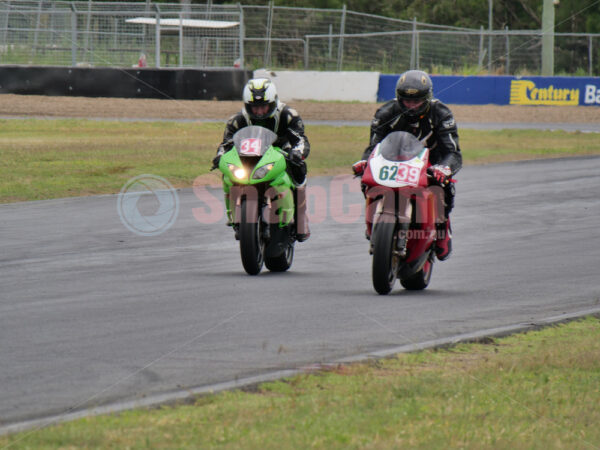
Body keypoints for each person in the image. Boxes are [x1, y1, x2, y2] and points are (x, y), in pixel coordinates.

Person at [352, 69, 462, 261]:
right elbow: (373, 147)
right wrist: (364, 162)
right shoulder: (385, 112)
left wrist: (443, 168)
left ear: (427, 98)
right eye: (406, 101)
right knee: (366, 180)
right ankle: (373, 221)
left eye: (417, 101)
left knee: (444, 187)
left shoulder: (442, 114)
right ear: (399, 98)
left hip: (431, 164)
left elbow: (452, 152)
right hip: (394, 161)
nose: (411, 106)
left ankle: (442, 227)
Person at [212, 77, 310, 242]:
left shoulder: (288, 115)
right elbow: (226, 144)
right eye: (254, 108)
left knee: (299, 170)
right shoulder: (237, 120)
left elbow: (301, 140)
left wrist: (297, 153)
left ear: (273, 102)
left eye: (263, 107)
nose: (259, 112)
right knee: (227, 173)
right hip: (248, 157)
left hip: (280, 153)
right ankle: (234, 216)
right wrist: (219, 156)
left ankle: (301, 221)